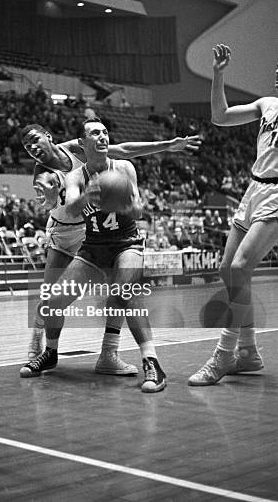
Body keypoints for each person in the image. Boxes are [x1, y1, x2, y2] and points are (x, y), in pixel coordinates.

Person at [21, 123, 201, 374]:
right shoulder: (51, 173)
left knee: (122, 292)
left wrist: (167, 146)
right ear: (85, 142)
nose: (32, 148)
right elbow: (64, 204)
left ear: (48, 137)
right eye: (27, 147)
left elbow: (126, 155)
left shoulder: (104, 160)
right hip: (75, 234)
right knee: (52, 298)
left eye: (34, 141)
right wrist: (60, 196)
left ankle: (127, 356)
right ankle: (45, 347)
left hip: (110, 236)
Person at [189, 44, 278, 386]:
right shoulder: (268, 105)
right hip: (254, 189)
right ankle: (249, 351)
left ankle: (223, 355)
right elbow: (220, 117)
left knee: (242, 267)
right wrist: (218, 74)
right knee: (228, 270)